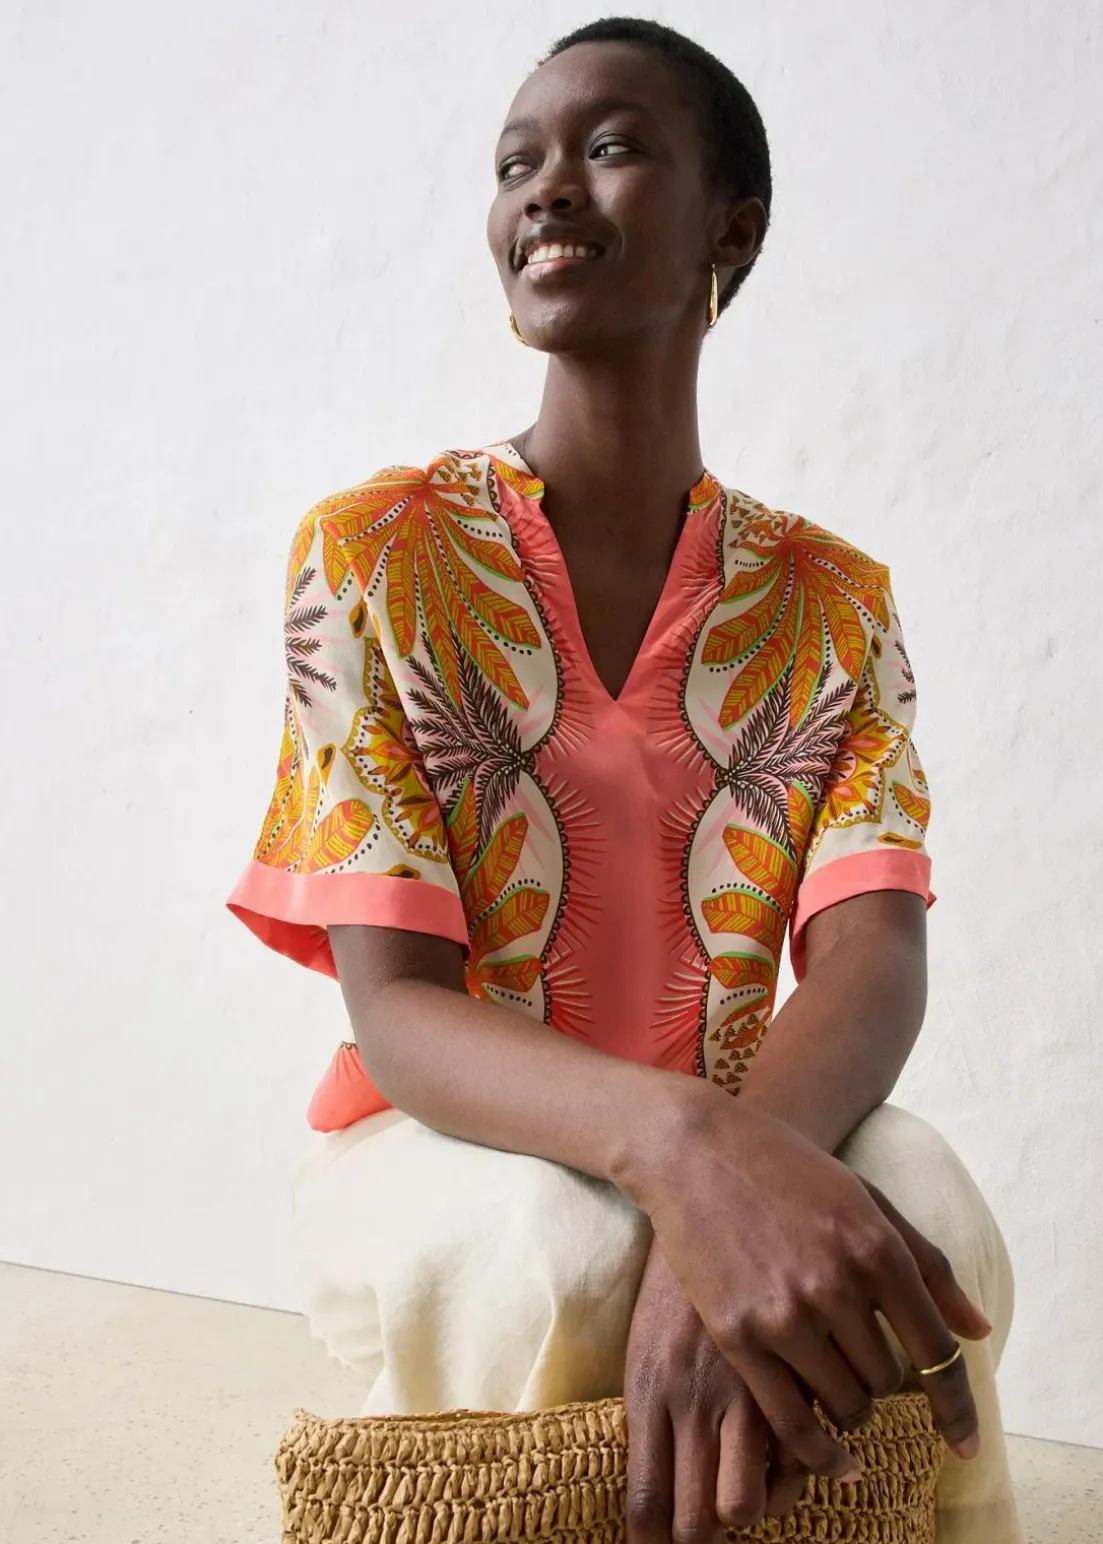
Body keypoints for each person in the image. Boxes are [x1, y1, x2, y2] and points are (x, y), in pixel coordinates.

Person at [228, 18, 1023, 1544]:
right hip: (440, 1138)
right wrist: (688, 1162)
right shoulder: (375, 554)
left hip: (743, 1104)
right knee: (563, 1253)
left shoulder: (832, 600)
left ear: (733, 229)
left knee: (931, 1215)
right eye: (513, 162)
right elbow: (395, 1008)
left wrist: (729, 1167)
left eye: (606, 147)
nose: (543, 188)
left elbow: (872, 955)